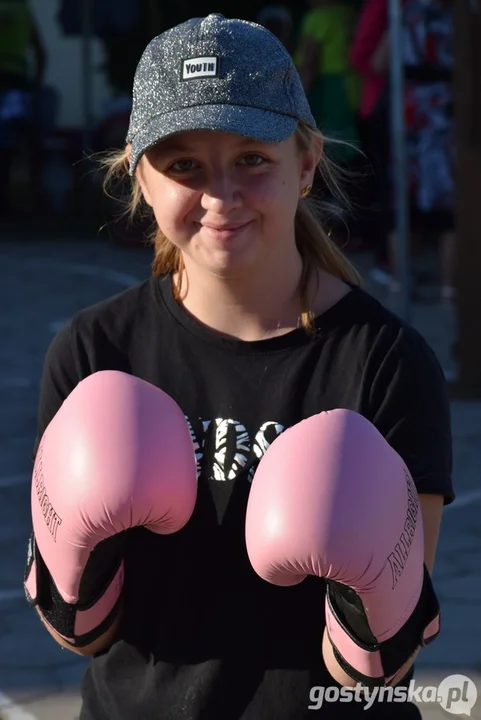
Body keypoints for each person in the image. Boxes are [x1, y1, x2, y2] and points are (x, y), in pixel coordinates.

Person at [23, 14, 454, 720]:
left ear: (306, 161)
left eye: (252, 157)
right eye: (183, 165)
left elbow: (383, 663)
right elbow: (81, 633)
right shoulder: (94, 351)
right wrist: (84, 561)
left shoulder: (386, 361)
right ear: (139, 175)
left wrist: (361, 592)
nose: (221, 196)